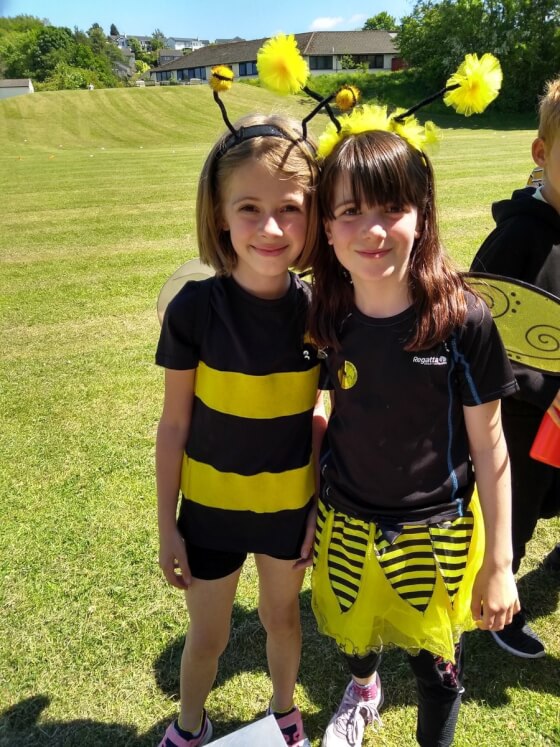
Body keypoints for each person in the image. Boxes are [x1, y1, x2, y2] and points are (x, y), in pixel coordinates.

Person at [308, 124, 520, 747]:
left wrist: (501, 565)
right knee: (357, 633)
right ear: (325, 226)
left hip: (437, 535)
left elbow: (491, 448)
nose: (372, 231)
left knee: (436, 674)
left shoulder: (461, 319)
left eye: (392, 208)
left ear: (422, 214)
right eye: (349, 212)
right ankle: (364, 688)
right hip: (344, 521)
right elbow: (321, 411)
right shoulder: (327, 312)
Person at [155, 111, 324, 747]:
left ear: (313, 215)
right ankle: (190, 723)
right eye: (248, 208)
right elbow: (174, 424)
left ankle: (285, 711)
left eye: (291, 207)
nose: (271, 227)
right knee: (210, 635)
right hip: (211, 511)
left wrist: (313, 504)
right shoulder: (195, 308)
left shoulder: (319, 312)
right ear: (219, 214)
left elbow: (319, 416)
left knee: (282, 620)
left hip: (286, 509)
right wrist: (168, 521)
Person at [470, 76, 560, 659]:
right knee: (520, 504)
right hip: (526, 409)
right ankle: (500, 600)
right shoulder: (519, 236)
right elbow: (481, 317)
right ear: (542, 153)